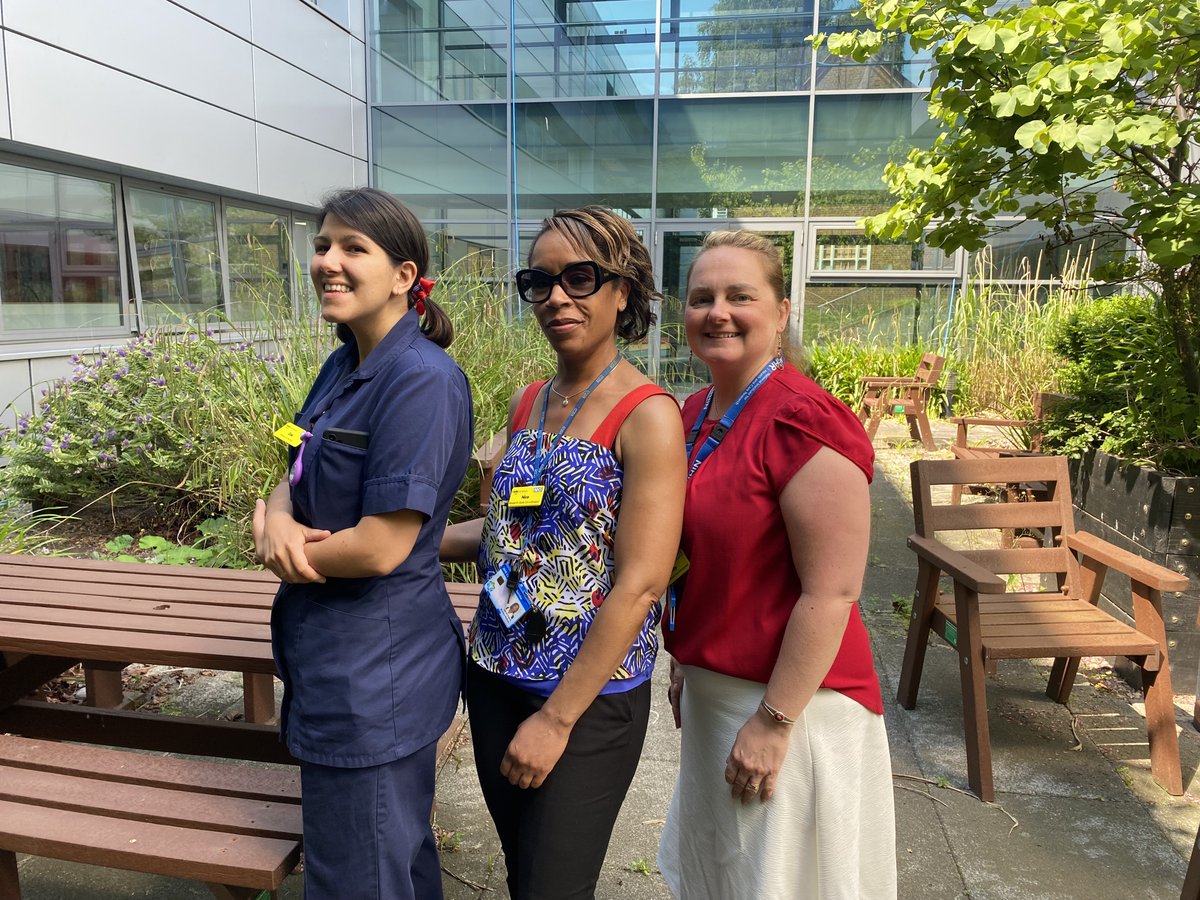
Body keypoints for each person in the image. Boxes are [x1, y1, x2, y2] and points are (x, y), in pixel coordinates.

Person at [442, 206, 685, 899]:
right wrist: (405, 544)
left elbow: (641, 582)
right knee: (527, 875)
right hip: (494, 676)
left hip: (582, 699)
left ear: (623, 291)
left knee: (554, 886)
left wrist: (555, 720)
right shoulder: (529, 401)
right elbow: (507, 533)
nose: (557, 296)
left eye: (580, 277)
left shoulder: (647, 416)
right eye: (539, 280)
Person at [657, 231, 896, 899]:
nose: (717, 312)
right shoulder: (696, 412)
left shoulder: (803, 421)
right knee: (726, 876)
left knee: (781, 881)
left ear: (782, 311)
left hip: (793, 704)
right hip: (716, 696)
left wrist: (774, 721)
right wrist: (687, 659)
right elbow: (702, 555)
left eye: (740, 295)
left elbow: (833, 591)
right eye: (702, 297)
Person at [252, 187, 473, 900]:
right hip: (335, 666)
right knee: (392, 865)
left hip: (375, 679)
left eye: (354, 248)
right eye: (322, 245)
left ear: (405, 276)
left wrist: (283, 550)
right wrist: (277, 517)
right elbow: (291, 457)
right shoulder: (341, 362)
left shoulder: (421, 382)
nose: (329, 262)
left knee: (358, 878)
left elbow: (382, 547)